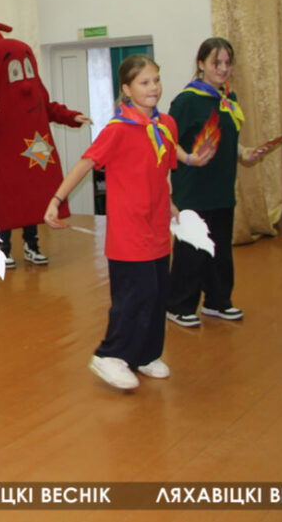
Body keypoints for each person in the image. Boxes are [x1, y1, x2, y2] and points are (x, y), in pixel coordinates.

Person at [44, 55, 213, 391]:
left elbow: (161, 169)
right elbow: (85, 164)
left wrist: (171, 203)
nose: (153, 88)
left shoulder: (166, 124)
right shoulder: (118, 129)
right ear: (126, 89)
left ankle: (145, 354)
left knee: (157, 294)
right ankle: (110, 354)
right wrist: (56, 200)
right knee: (135, 295)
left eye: (156, 80)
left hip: (157, 227)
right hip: (129, 231)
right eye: (144, 82)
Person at [0, 23, 90, 268]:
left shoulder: (33, 89)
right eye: (14, 70)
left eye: (25, 67)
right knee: (5, 204)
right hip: (2, 160)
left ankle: (32, 245)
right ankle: (3, 248)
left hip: (32, 155)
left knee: (33, 198)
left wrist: (72, 116)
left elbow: (48, 108)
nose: (23, 80)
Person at [166, 38, 271, 327]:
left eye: (227, 63)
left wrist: (245, 153)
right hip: (194, 189)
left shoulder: (227, 99)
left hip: (221, 188)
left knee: (220, 248)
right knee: (192, 250)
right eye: (216, 63)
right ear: (201, 64)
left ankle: (217, 301)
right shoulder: (187, 101)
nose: (223, 69)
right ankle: (178, 305)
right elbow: (167, 142)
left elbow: (225, 140)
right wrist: (189, 159)